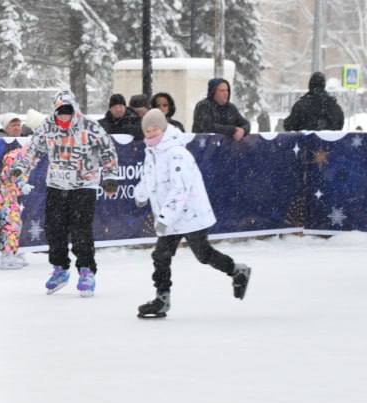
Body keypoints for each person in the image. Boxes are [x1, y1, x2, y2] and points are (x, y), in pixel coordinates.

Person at [133, 110, 251, 319]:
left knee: (203, 254)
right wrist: (140, 194)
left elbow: (181, 189)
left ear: (164, 128)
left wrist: (165, 218)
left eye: (155, 130)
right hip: (171, 216)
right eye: (147, 131)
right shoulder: (152, 152)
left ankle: (237, 270)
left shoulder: (177, 153)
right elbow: (148, 177)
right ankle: (162, 299)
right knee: (161, 255)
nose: (151, 134)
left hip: (191, 215)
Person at [14, 88, 120, 296]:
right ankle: (60, 268)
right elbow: (33, 149)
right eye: (60, 112)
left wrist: (110, 177)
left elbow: (107, 150)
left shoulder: (89, 126)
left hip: (84, 184)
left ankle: (86, 270)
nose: (64, 117)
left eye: (68, 112)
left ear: (75, 110)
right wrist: (21, 167)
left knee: (81, 229)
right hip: (57, 184)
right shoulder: (48, 126)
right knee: (54, 228)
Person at [0, 139, 33, 269]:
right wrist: (21, 185)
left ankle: (12, 252)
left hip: (10, 196)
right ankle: (7, 256)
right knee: (10, 226)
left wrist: (21, 186)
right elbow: (10, 175)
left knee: (15, 225)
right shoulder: (16, 157)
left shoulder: (26, 158)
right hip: (4, 196)